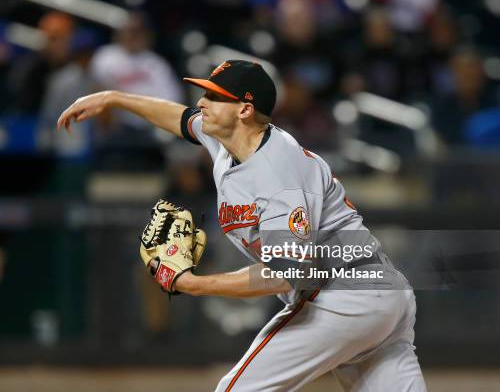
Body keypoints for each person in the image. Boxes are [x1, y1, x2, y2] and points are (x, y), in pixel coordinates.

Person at [57, 60, 426, 391]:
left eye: (215, 97)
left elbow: (283, 275)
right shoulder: (229, 141)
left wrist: (193, 284)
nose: (203, 102)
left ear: (245, 109)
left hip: (341, 295)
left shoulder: (277, 171)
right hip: (382, 294)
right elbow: (181, 118)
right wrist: (115, 98)